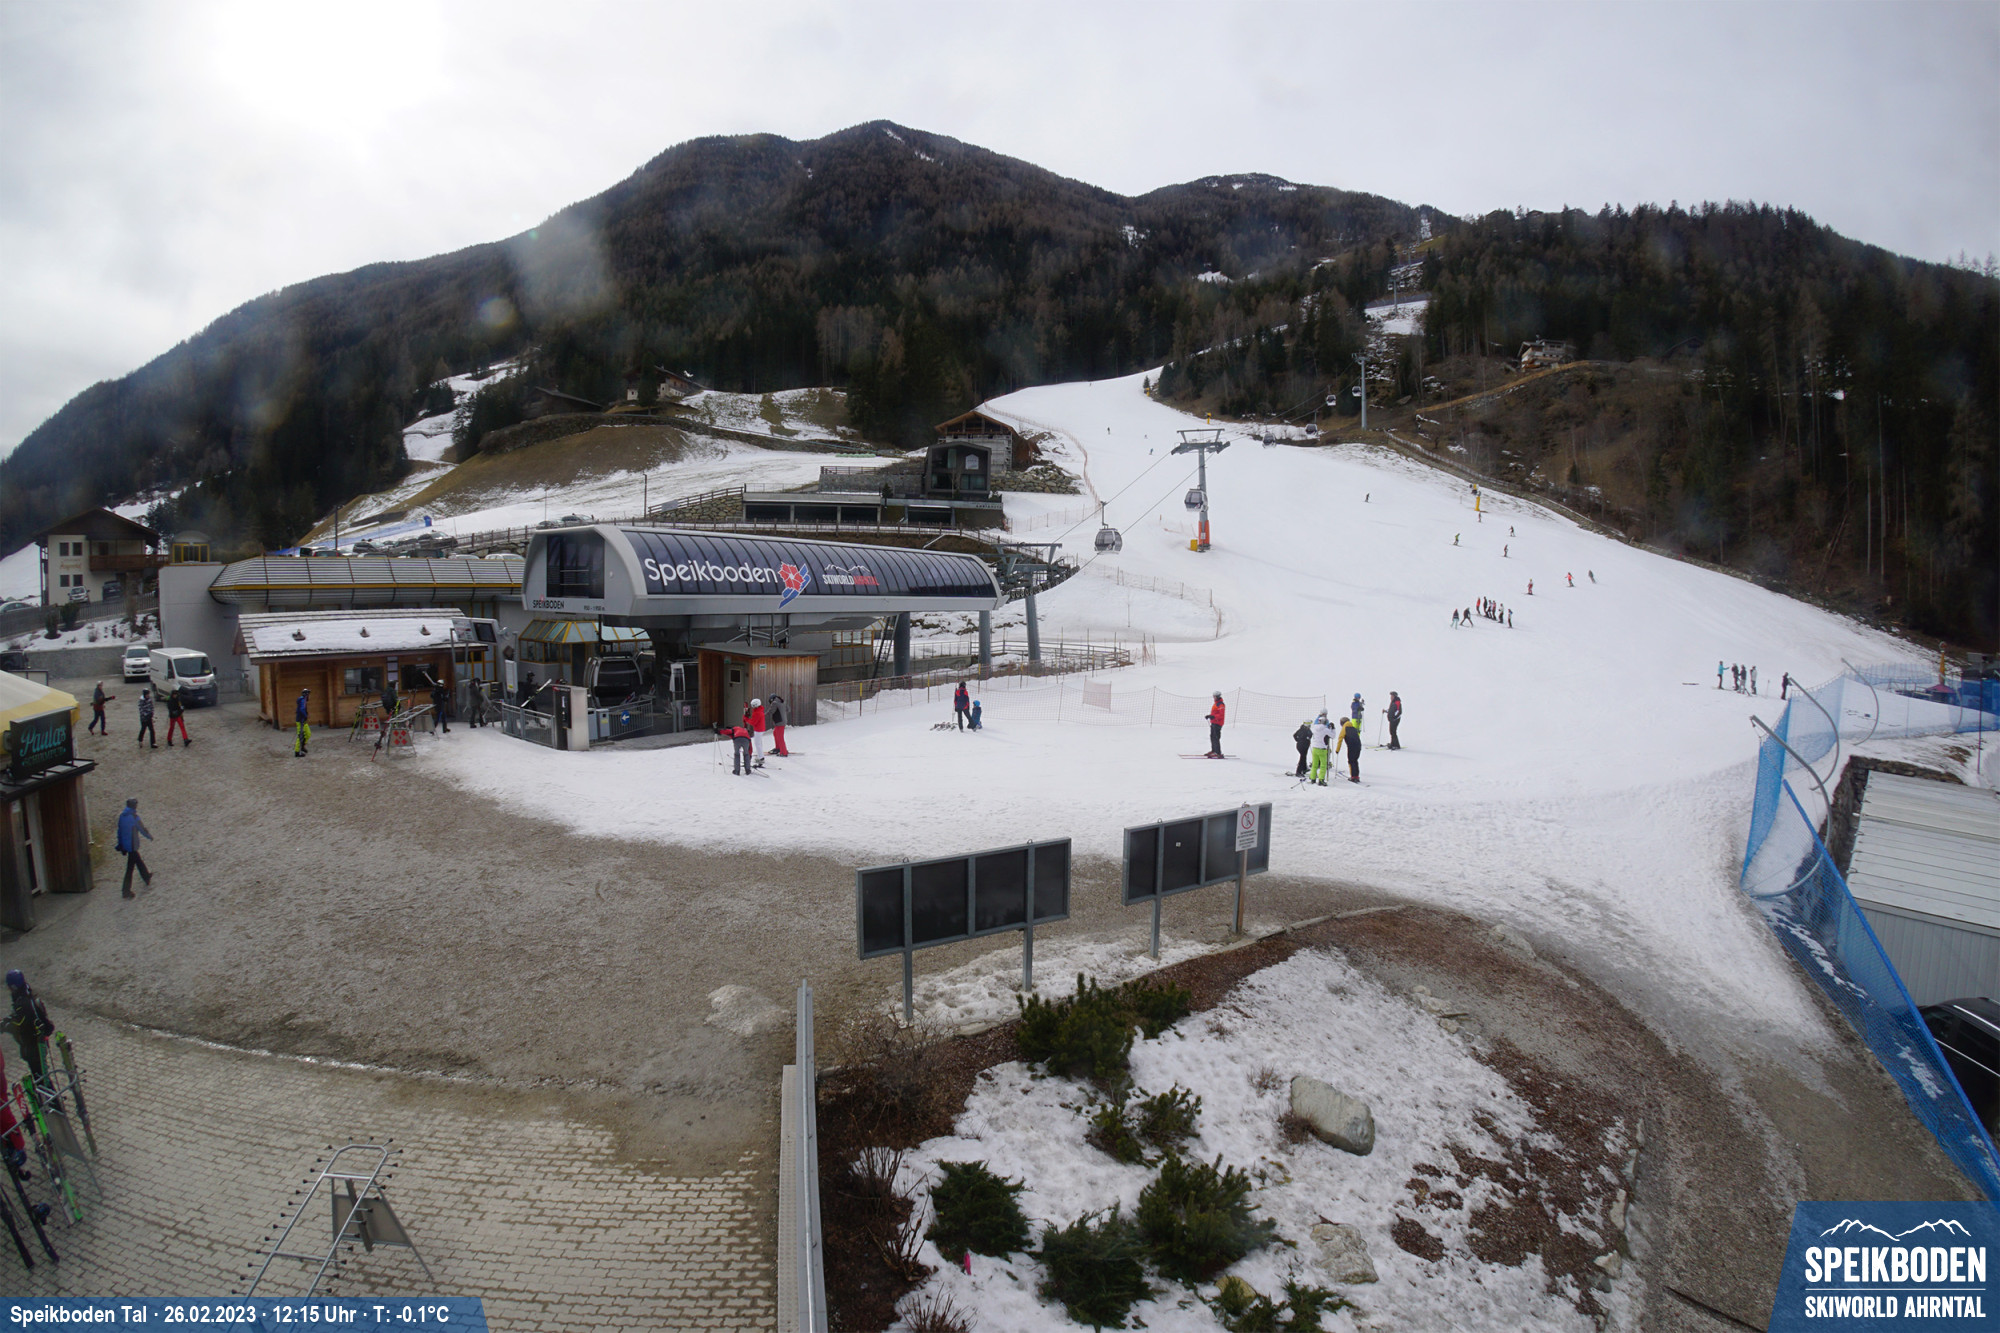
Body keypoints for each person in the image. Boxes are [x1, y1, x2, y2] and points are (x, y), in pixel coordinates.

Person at [5, 970, 54, 1083]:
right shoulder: (26, 995)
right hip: (37, 1044)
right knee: (43, 1077)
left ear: (13, 987)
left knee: (41, 1080)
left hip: (33, 1047)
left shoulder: (23, 1003)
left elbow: (18, 1024)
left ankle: (50, 1095)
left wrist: (5, 1026)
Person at [116, 797, 153, 898]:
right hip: (132, 846)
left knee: (138, 860)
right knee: (130, 868)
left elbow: (119, 831)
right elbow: (142, 829)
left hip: (126, 846)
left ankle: (146, 876)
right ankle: (126, 891)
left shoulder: (122, 816)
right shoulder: (134, 817)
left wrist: (120, 844)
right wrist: (149, 836)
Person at [1308, 712, 1333, 786]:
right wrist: (1333, 729)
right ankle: (1321, 779)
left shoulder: (1314, 728)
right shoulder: (1325, 729)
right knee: (1323, 765)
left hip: (1315, 748)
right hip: (1322, 749)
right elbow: (1333, 736)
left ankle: (1312, 778)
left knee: (1314, 764)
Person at [1339, 712, 1363, 782]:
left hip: (1351, 747)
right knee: (1355, 761)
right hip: (1358, 746)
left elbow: (1340, 739)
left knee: (1351, 761)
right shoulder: (1353, 728)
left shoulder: (1344, 728)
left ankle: (1353, 777)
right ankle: (1356, 776)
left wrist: (1337, 750)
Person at [1206, 692, 1226, 758]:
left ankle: (1218, 752)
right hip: (1214, 722)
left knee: (1216, 737)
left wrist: (1213, 716)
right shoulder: (1216, 704)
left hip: (1218, 723)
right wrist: (1210, 716)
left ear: (1217, 696)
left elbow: (1221, 715)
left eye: (1214, 696)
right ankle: (1214, 750)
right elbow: (1215, 713)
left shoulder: (1221, 704)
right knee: (1212, 736)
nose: (1213, 697)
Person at [747, 697, 767, 762]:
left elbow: (753, 722)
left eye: (753, 706)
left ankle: (761, 758)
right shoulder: (760, 710)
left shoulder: (757, 713)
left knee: (757, 744)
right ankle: (760, 755)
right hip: (761, 728)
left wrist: (746, 719)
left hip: (758, 729)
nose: (752, 707)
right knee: (759, 743)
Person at [294, 687, 312, 757]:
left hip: (304, 721)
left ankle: (302, 746)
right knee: (300, 736)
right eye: (308, 694)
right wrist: (305, 716)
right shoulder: (302, 700)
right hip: (300, 721)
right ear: (306, 695)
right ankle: (297, 752)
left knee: (308, 734)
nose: (309, 696)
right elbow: (301, 709)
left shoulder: (303, 700)